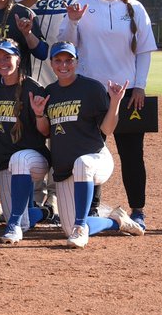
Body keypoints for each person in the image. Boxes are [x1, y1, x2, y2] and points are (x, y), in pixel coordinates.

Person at [59, 0, 156, 229]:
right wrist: (74, 21)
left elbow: (145, 51)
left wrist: (140, 85)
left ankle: (137, 210)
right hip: (91, 93)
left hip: (126, 94)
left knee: (132, 154)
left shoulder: (135, 8)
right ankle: (91, 208)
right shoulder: (84, 7)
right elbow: (67, 44)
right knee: (91, 152)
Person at [28, 42, 144, 247]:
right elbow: (46, 131)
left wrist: (115, 102)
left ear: (76, 62)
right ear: (52, 63)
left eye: (69, 60)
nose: (64, 65)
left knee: (83, 164)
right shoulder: (50, 92)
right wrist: (39, 114)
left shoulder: (91, 88)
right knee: (67, 228)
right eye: (58, 60)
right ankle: (116, 221)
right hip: (65, 168)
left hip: (96, 159)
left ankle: (81, 226)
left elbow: (107, 130)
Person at [0, 40, 51, 244]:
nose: (2, 62)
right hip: (6, 163)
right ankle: (43, 212)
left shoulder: (32, 88)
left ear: (18, 59)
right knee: (22, 219)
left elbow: (46, 133)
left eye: (7, 57)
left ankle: (13, 225)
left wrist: (40, 115)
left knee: (20, 158)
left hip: (34, 159)